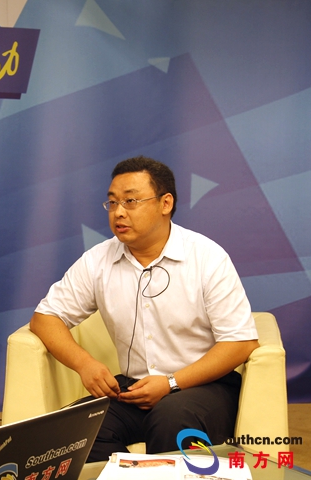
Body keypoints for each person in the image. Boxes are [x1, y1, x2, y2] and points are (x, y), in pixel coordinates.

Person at [30, 156, 259, 461]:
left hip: (205, 387)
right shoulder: (98, 260)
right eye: (112, 202)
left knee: (172, 419)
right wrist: (84, 364)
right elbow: (45, 317)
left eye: (131, 201)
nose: (118, 212)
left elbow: (240, 342)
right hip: (134, 389)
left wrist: (171, 383)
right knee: (69, 431)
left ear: (165, 203)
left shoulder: (207, 257)